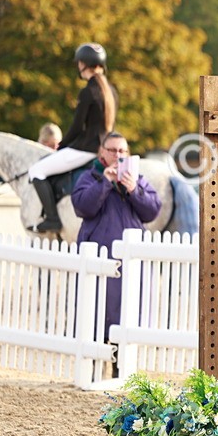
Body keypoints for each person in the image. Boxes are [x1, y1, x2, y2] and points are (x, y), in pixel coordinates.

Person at [71, 132, 163, 344]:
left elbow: (152, 211)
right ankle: (94, 364)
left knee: (129, 310)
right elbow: (82, 207)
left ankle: (121, 368)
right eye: (112, 150)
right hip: (100, 257)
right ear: (102, 152)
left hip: (130, 260)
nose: (117, 155)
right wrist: (105, 182)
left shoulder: (137, 179)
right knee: (96, 310)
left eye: (122, 150)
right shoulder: (89, 177)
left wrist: (133, 190)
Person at [30, 43, 118, 232]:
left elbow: (77, 128)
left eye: (79, 63)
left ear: (84, 64)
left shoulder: (88, 92)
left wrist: (62, 146)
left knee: (36, 170)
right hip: (102, 148)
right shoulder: (111, 91)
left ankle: (52, 219)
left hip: (85, 149)